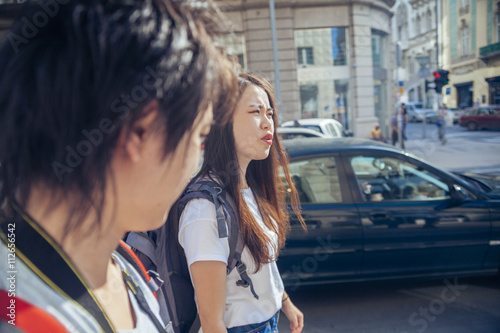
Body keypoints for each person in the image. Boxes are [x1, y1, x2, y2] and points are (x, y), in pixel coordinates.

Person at [0, 1, 237, 332]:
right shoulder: (19, 317)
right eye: (200, 137)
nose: (195, 166)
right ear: (141, 131)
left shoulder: (122, 260)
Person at [177, 73, 306, 332]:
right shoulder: (204, 210)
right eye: (255, 111)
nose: (268, 123)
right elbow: (213, 323)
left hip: (268, 323)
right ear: (223, 121)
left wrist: (285, 302)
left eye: (269, 113)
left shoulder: (249, 188)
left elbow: (262, 262)